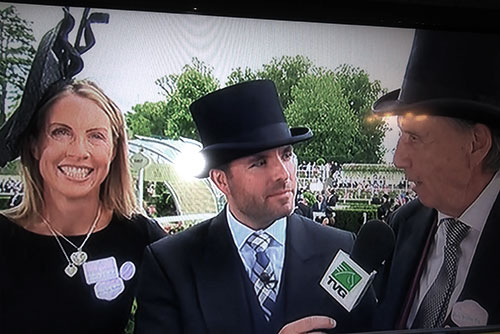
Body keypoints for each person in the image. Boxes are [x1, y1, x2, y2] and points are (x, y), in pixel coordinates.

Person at [134, 80, 376, 334]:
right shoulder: (171, 265)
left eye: (286, 154)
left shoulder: (340, 251)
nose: (284, 175)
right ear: (221, 180)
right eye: (260, 162)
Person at [0, 10, 165, 334]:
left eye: (96, 135)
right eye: (60, 132)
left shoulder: (140, 236)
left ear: (114, 150)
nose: (79, 151)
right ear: (34, 145)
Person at [371, 29, 500, 330]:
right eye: (401, 135)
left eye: (414, 137)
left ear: (476, 143)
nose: (398, 159)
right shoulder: (403, 224)